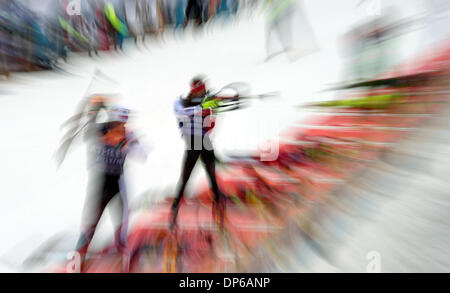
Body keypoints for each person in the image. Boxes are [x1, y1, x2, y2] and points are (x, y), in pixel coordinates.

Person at [71, 104, 145, 272]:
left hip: (119, 183)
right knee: (92, 222)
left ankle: (122, 251)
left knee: (123, 218)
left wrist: (125, 144)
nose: (122, 126)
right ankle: (78, 257)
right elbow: (86, 131)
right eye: (119, 122)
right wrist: (93, 110)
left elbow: (143, 154)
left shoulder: (128, 134)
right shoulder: (100, 129)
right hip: (101, 182)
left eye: (124, 123)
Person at [170, 76, 225, 231]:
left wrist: (211, 108)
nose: (202, 91)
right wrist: (199, 109)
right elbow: (179, 111)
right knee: (185, 177)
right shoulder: (181, 102)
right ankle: (175, 208)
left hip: (205, 142)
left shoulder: (208, 101)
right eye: (199, 89)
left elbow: (211, 125)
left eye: (203, 89)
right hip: (192, 143)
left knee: (212, 175)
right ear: (194, 90)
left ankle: (218, 206)